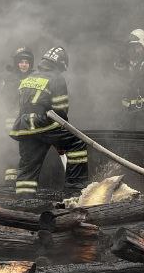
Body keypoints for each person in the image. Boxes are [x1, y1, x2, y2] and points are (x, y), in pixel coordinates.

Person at [9, 46, 88, 195]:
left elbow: (19, 106)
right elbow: (61, 111)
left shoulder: (30, 77)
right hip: (44, 123)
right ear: (60, 64)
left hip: (24, 126)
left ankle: (24, 202)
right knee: (77, 142)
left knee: (28, 168)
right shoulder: (57, 78)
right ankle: (74, 189)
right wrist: (62, 136)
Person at [0, 47, 34, 186]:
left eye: (27, 62)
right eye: (21, 62)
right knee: (12, 149)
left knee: (28, 149)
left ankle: (25, 180)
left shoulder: (35, 78)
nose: (24, 65)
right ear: (17, 63)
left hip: (29, 120)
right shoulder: (10, 79)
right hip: (12, 119)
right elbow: (2, 98)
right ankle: (10, 183)